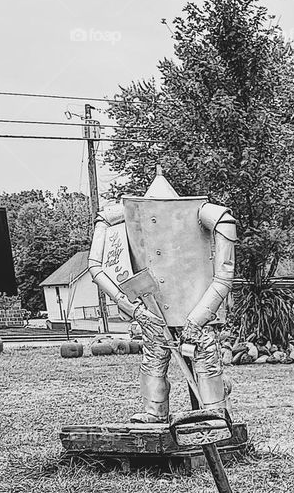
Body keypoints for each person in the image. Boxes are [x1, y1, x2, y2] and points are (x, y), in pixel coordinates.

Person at [88, 169, 236, 423]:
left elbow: (224, 274)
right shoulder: (122, 218)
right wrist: (136, 311)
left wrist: (198, 317)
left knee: (206, 359)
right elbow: (95, 267)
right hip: (151, 310)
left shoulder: (204, 214)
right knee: (153, 360)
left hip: (195, 306)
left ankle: (216, 414)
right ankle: (154, 412)